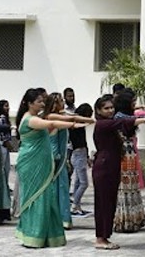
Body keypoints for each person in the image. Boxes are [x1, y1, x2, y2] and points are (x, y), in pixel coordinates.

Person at [14, 88, 87, 248]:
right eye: (39, 101)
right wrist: (74, 125)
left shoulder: (35, 117)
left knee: (47, 195)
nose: (42, 104)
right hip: (32, 163)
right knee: (37, 196)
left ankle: (46, 235)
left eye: (43, 101)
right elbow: (52, 123)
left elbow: (57, 119)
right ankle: (34, 235)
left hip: (41, 161)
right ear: (29, 103)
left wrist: (79, 120)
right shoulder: (30, 120)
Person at [92, 94, 145, 250]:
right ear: (99, 110)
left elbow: (126, 123)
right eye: (106, 108)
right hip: (104, 166)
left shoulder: (110, 123)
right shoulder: (103, 124)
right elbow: (124, 121)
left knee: (110, 203)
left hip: (112, 165)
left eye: (111, 107)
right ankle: (100, 238)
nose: (110, 110)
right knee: (103, 204)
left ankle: (104, 236)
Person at [43, 92, 93, 230]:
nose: (63, 103)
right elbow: (72, 119)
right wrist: (91, 121)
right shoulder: (51, 116)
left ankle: (61, 218)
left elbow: (73, 123)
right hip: (54, 157)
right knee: (56, 188)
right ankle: (54, 218)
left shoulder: (61, 116)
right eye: (60, 101)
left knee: (62, 188)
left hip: (60, 156)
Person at [112, 89, 145, 232]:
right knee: (124, 187)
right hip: (123, 152)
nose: (135, 105)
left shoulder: (126, 115)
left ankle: (134, 218)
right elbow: (134, 120)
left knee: (132, 185)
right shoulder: (120, 117)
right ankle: (125, 220)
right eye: (132, 102)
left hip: (130, 151)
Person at [69, 103, 94, 217]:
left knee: (79, 182)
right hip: (78, 153)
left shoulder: (79, 125)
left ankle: (77, 205)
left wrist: (87, 156)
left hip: (81, 153)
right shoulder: (75, 125)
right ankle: (74, 205)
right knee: (84, 183)